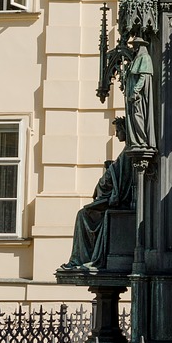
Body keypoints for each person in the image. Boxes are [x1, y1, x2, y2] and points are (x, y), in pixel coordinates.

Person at [58, 117, 133, 273]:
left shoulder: (128, 152)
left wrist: (109, 172)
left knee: (83, 215)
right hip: (115, 199)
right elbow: (116, 173)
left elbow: (113, 179)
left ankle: (82, 258)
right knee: (85, 213)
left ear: (125, 130)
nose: (117, 135)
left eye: (118, 131)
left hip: (117, 201)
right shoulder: (126, 151)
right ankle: (82, 258)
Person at [124, 38, 155, 149]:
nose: (134, 47)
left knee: (138, 116)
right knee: (134, 116)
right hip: (133, 96)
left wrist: (135, 90)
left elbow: (143, 77)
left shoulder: (145, 58)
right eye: (134, 45)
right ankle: (136, 141)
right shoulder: (136, 59)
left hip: (138, 97)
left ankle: (142, 140)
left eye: (136, 45)